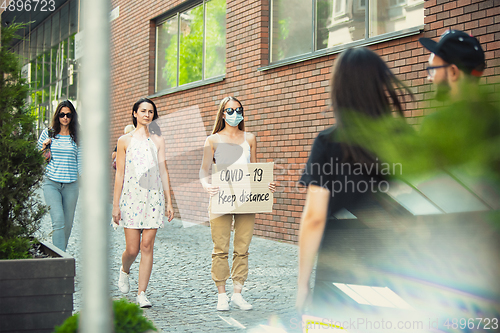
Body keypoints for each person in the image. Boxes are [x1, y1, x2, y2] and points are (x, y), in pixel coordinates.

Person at [295, 47, 412, 311]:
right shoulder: (406, 139)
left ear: (340, 90)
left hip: (338, 277)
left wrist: (303, 284)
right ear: (380, 86)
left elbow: (314, 218)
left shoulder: (327, 143)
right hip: (397, 275)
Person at [199, 96, 276, 311]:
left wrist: (265, 185)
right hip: (221, 198)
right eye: (230, 110)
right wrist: (206, 185)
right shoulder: (212, 140)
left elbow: (255, 170)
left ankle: (237, 294)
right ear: (222, 114)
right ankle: (221, 295)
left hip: (246, 199)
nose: (235, 114)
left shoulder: (250, 138)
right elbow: (204, 170)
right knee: (220, 248)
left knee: (242, 247)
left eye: (238, 110)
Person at [112, 98, 174, 308]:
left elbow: (163, 171)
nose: (147, 115)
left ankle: (141, 293)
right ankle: (124, 270)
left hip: (153, 198)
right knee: (132, 249)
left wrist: (169, 201)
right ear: (135, 113)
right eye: (143, 111)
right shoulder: (124, 141)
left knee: (147, 245)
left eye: (150, 112)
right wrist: (115, 205)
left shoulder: (158, 141)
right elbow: (119, 174)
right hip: (130, 198)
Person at [37, 100, 81, 252]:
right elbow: (37, 159)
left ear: (72, 117)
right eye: (62, 114)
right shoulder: (48, 134)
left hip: (71, 185)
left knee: (67, 224)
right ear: (57, 116)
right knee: (58, 221)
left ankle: (60, 254)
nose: (65, 118)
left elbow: (81, 161)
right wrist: (44, 147)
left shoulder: (77, 137)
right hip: (51, 184)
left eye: (68, 115)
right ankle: (59, 261)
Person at [419, 29, 485, 101]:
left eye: (433, 70)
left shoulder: (448, 112)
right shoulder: (494, 111)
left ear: (453, 72)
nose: (429, 78)